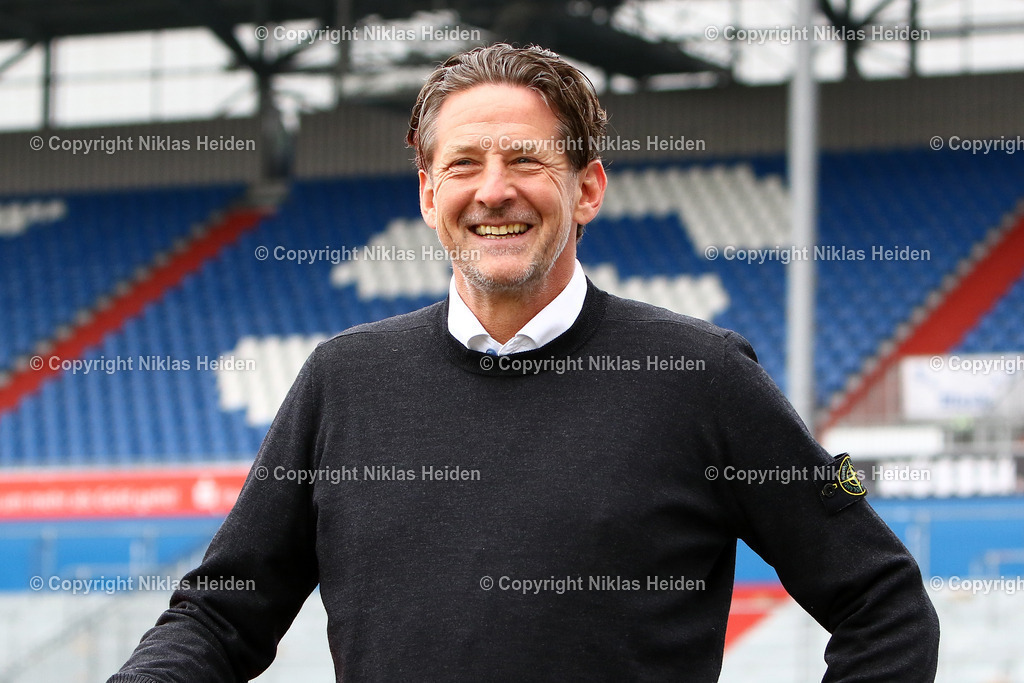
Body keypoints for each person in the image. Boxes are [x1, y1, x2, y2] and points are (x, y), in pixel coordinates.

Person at [109, 43, 939, 682]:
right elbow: (221, 617)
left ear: (587, 189)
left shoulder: (702, 374)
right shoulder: (343, 380)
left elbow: (883, 601)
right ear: (430, 195)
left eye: (526, 160)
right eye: (464, 164)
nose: (494, 189)